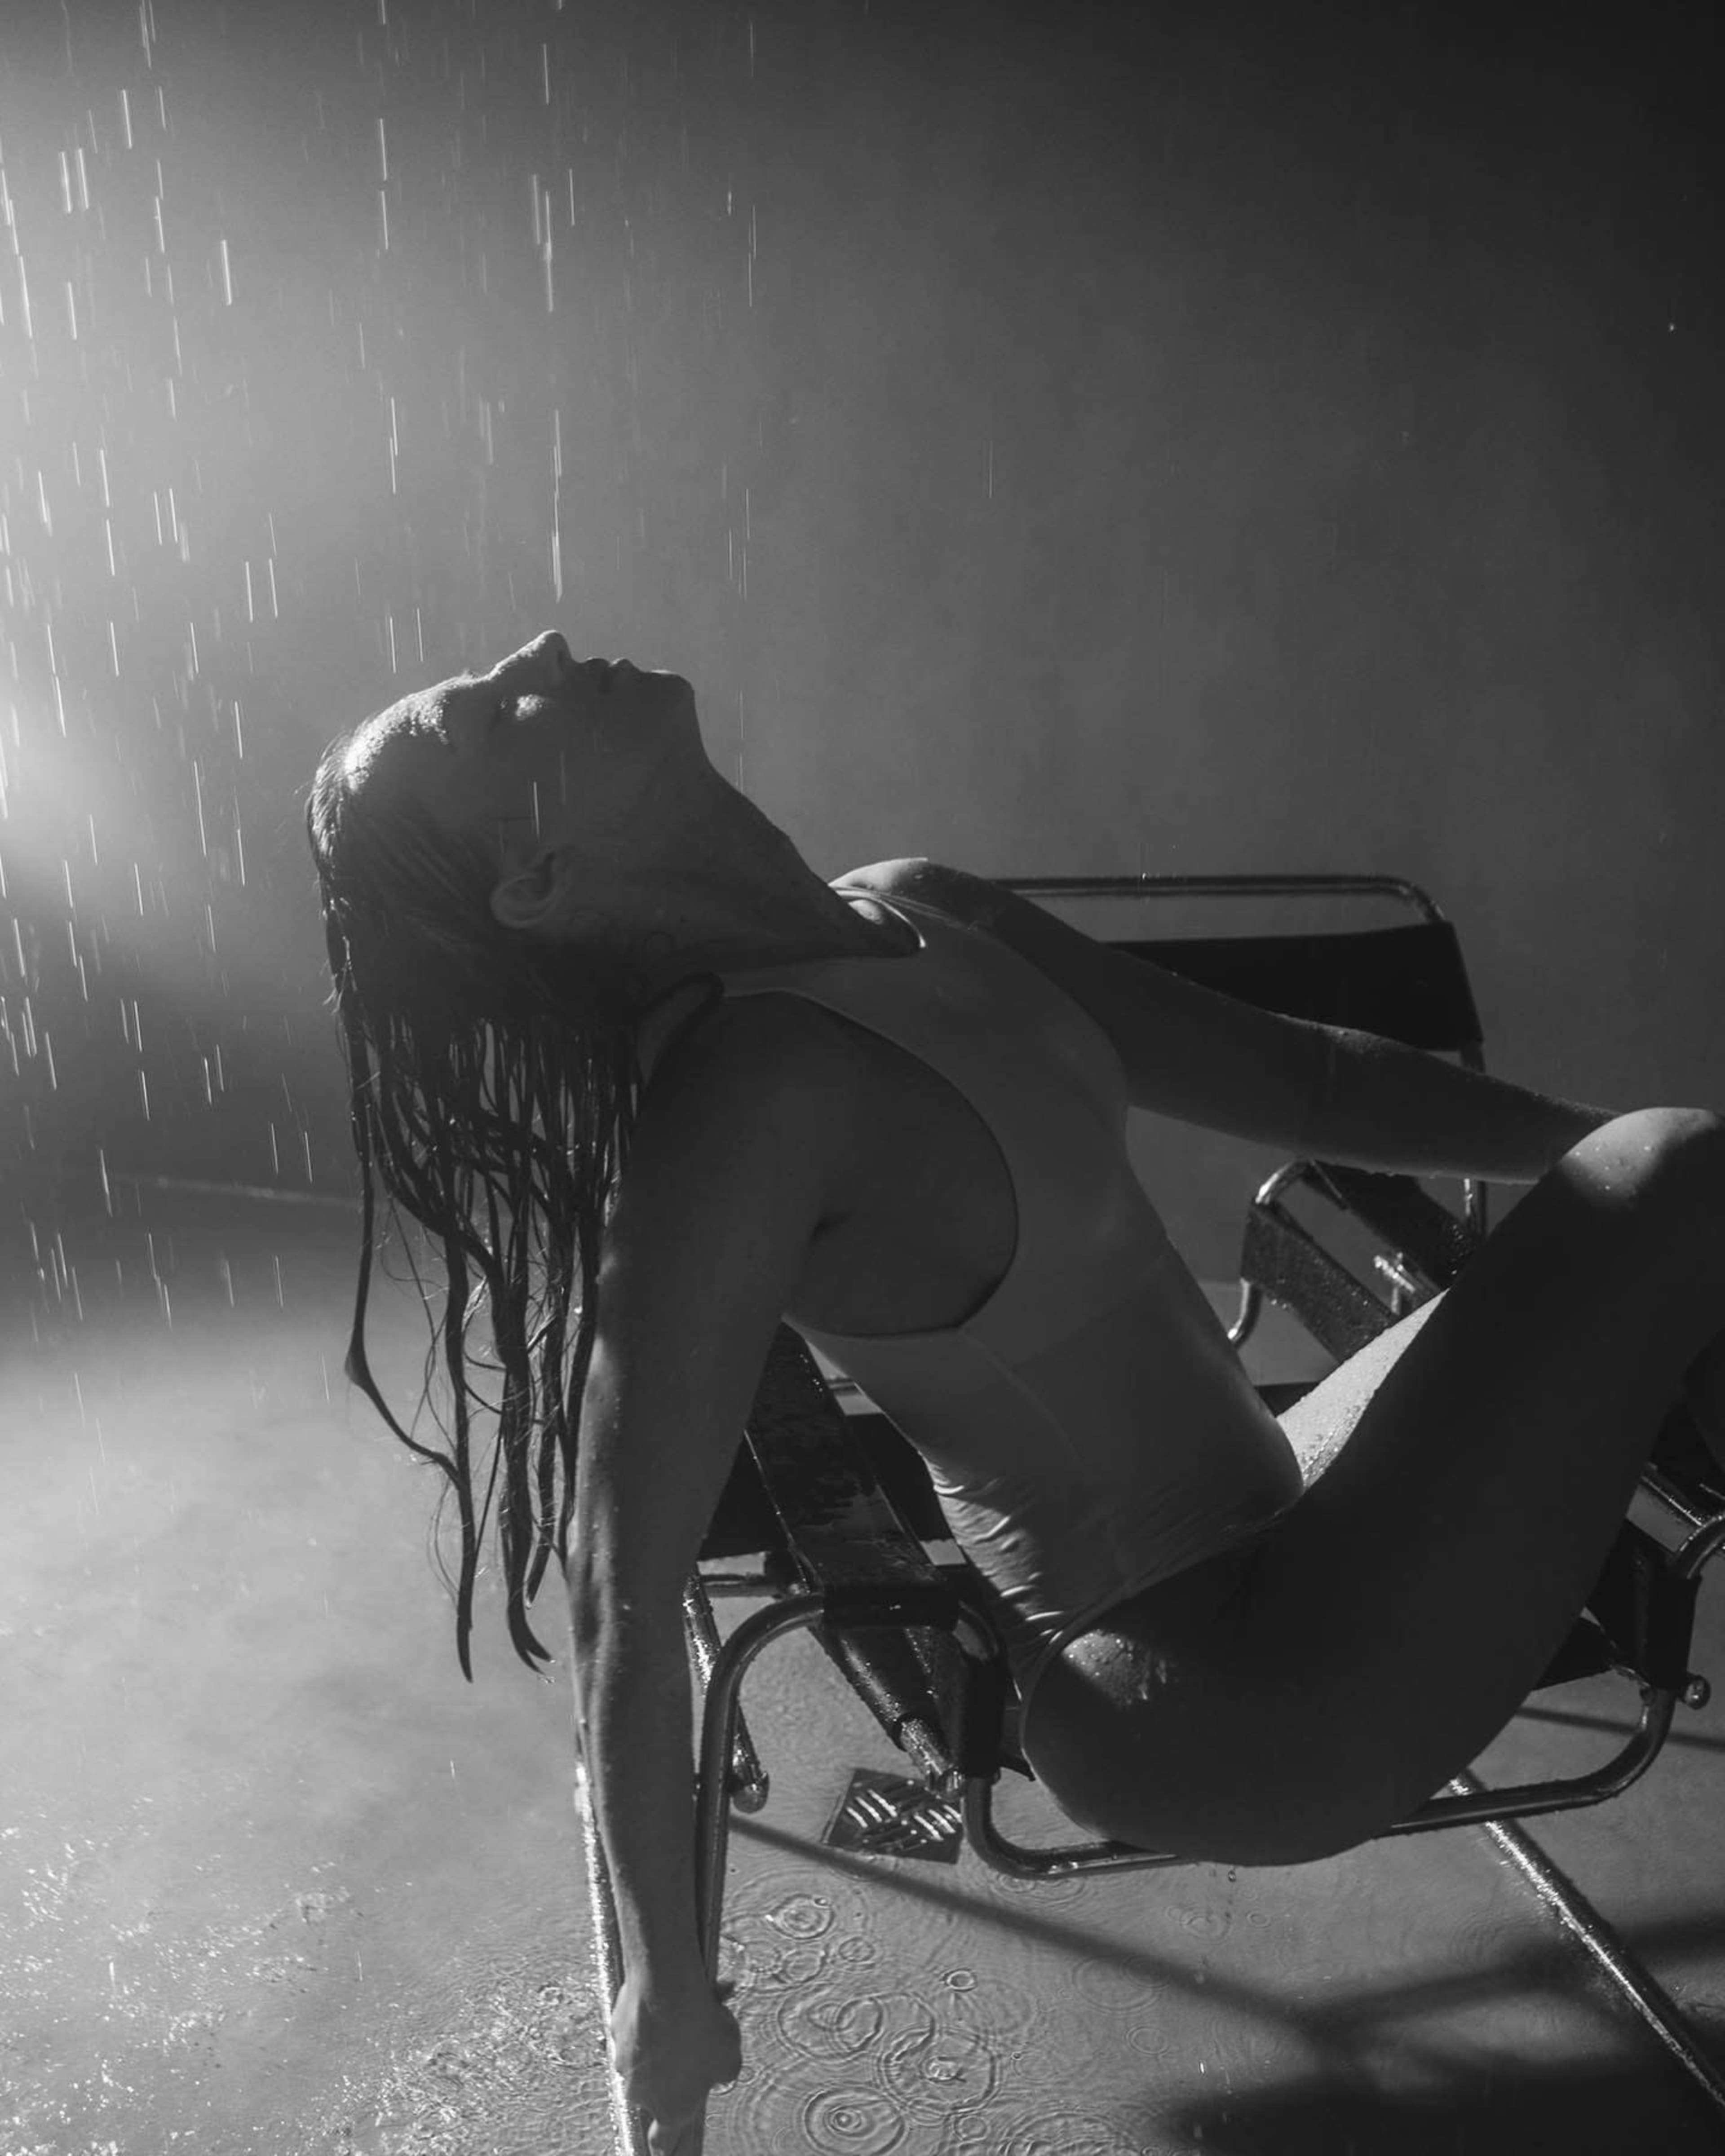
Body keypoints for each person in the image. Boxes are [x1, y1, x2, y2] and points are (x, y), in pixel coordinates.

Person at [307, 628, 1725, 2155]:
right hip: (1222, 1698)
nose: (538, 648)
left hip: (1297, 1516)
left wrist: (1619, 1159)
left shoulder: (915, 909)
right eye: (486, 713)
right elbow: (619, 1583)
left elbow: (1310, 1083)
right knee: (1671, 1176)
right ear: (536, 882)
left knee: (1669, 1184)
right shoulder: (750, 1097)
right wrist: (663, 1995)